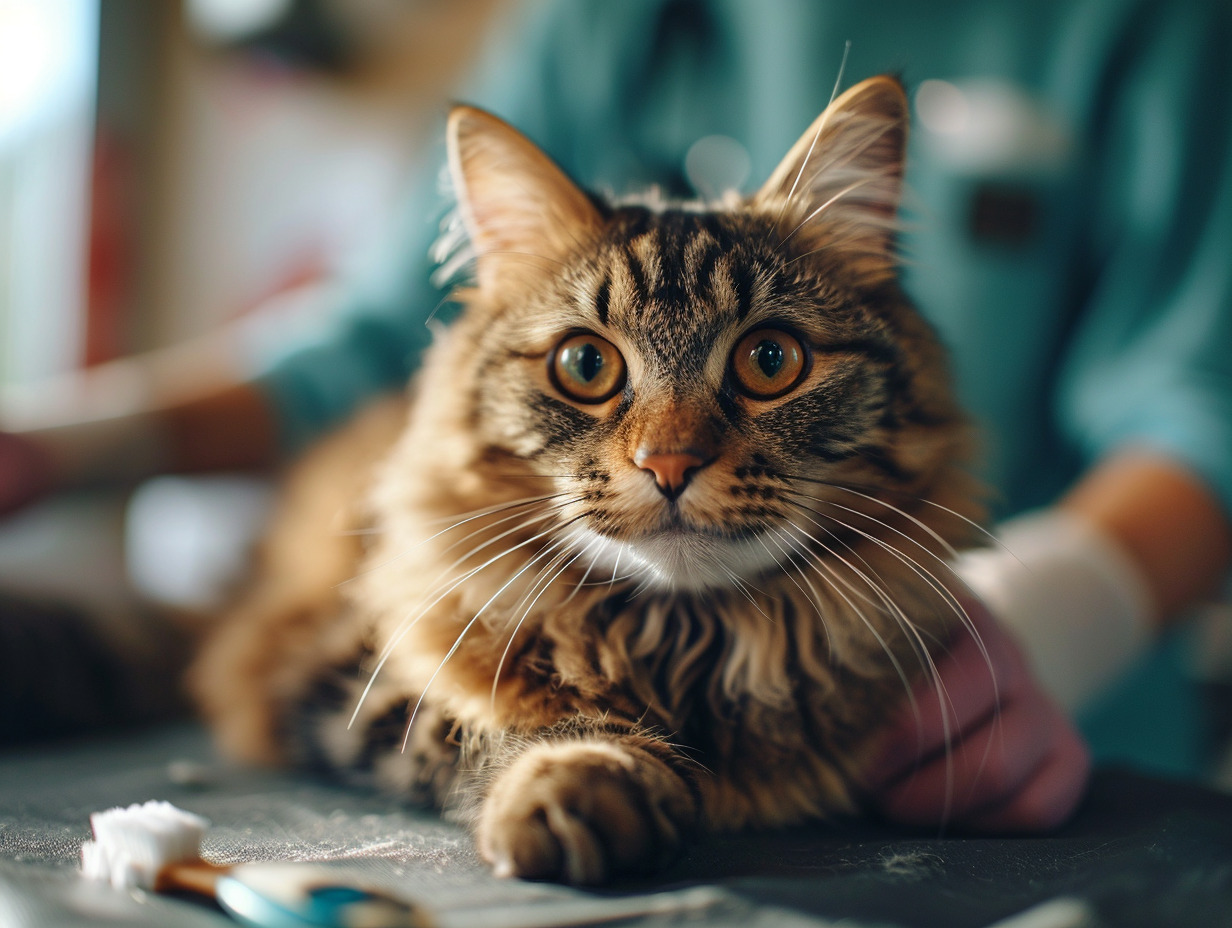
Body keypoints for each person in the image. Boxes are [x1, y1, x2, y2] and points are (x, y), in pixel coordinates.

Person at [2, 0, 1230, 830]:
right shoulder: (608, 17)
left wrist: (1047, 615)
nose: (671, 452)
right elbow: (373, 339)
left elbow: (1203, 402)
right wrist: (65, 441)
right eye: (595, 375)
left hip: (1013, 730)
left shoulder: (1151, 24)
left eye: (764, 362)